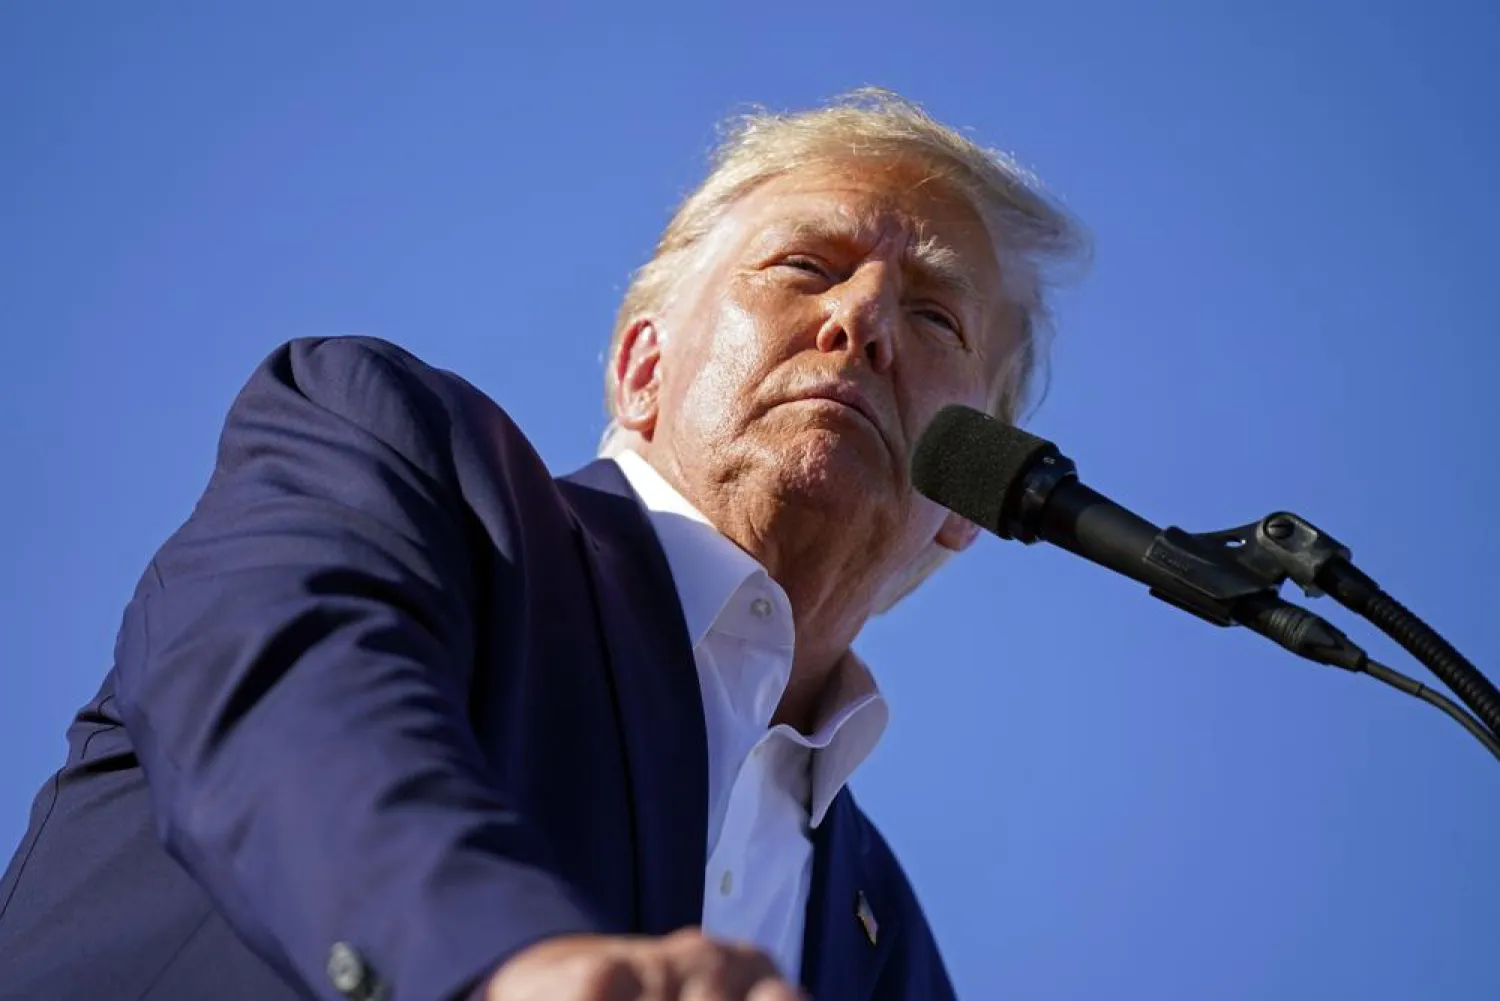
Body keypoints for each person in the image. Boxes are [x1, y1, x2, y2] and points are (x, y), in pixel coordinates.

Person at [0, 88, 1084, 1001]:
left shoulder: (887, 941)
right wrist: (506, 958)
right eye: (806, 265)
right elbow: (291, 691)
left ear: (968, 499)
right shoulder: (403, 451)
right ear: (643, 369)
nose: (865, 321)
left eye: (937, 316)